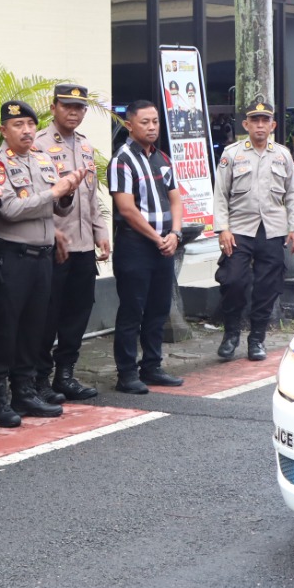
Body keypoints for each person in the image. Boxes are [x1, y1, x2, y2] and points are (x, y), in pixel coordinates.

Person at [0, 100, 85, 423]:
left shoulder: (42, 159)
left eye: (30, 124)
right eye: (18, 125)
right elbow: (10, 209)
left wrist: (67, 193)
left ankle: (25, 393)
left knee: (33, 328)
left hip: (42, 256)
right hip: (11, 256)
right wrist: (56, 192)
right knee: (5, 329)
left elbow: (59, 210)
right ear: (3, 130)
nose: (27, 131)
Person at [33, 83, 110, 403]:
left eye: (79, 108)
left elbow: (90, 198)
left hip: (82, 246)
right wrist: (50, 230)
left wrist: (101, 231)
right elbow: (35, 199)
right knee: (47, 315)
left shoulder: (86, 146)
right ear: (53, 108)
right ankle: (38, 379)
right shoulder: (37, 145)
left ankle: (65, 374)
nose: (74, 113)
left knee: (77, 313)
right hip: (53, 246)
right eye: (67, 106)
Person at [213, 100, 294, 362]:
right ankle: (231, 335)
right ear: (246, 124)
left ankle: (257, 340)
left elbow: (293, 194)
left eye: (265, 120)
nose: (260, 125)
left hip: (273, 230)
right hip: (240, 229)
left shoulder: (282, 155)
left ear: (273, 125)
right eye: (255, 120)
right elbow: (220, 194)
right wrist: (223, 229)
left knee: (268, 286)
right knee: (233, 280)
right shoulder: (232, 154)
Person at [108, 100, 184, 395]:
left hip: (165, 244)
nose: (152, 127)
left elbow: (176, 199)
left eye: (155, 121)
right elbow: (126, 209)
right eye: (145, 122)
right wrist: (157, 237)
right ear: (130, 125)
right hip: (136, 244)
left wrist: (175, 234)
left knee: (158, 308)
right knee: (132, 310)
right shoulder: (122, 159)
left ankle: (152, 366)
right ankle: (126, 373)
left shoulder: (162, 158)